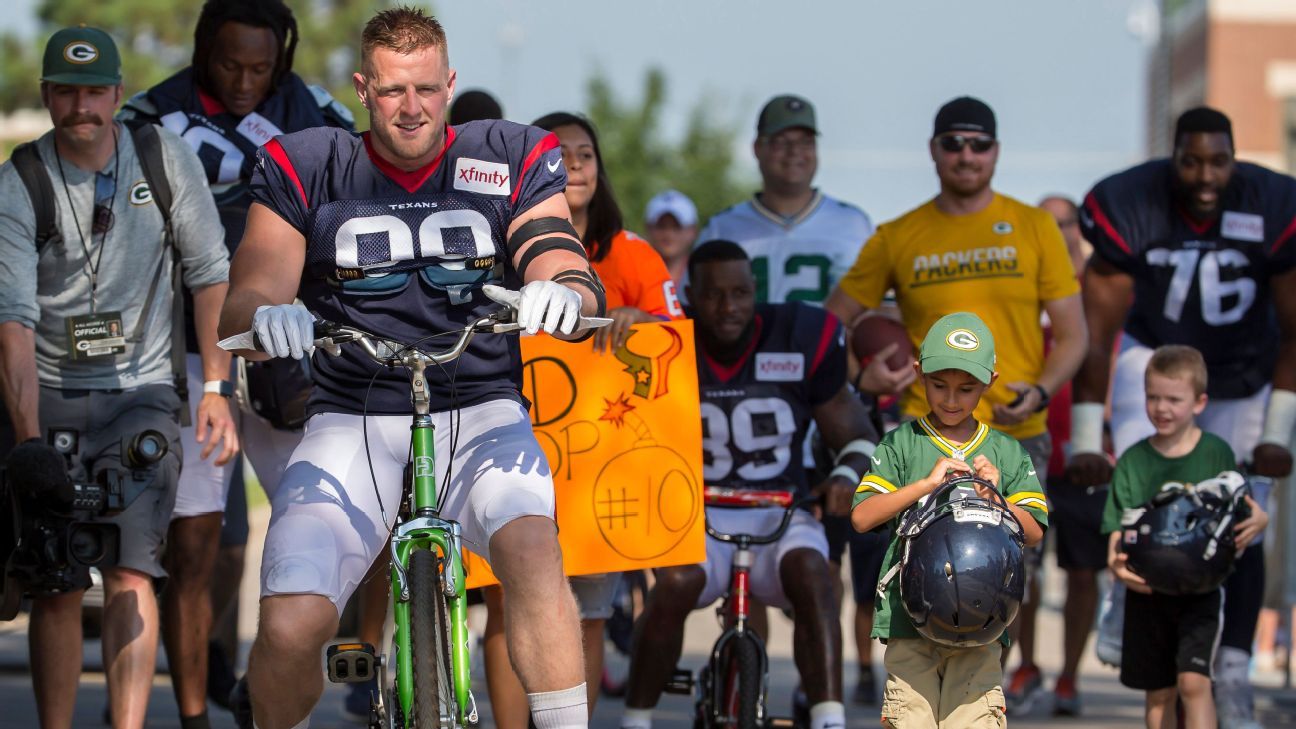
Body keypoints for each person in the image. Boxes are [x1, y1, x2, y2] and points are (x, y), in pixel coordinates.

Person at [217, 8, 605, 729]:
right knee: (291, 622)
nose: (412, 107)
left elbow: (556, 247)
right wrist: (271, 313)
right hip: (351, 414)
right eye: (393, 91)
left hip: (479, 404)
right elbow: (248, 293)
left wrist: (563, 287)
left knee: (532, 551)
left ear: (450, 82)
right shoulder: (310, 161)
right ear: (363, 88)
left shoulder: (506, 153)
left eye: (427, 88)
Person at [117, 0, 355, 720]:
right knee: (200, 544)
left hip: (287, 346)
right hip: (188, 350)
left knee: (306, 529)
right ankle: (199, 686)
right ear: (200, 50)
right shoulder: (149, 115)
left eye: (260, 66)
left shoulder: (315, 109)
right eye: (229, 64)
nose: (246, 80)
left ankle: (270, 681)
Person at [0, 26, 236, 729]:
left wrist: (217, 388)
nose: (81, 106)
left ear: (118, 95)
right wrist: (28, 439)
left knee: (136, 568)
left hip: (142, 392)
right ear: (47, 96)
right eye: (66, 92)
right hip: (51, 389)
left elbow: (210, 272)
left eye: (94, 91)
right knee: (57, 577)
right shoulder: (21, 182)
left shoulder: (163, 159)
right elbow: (11, 317)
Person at [1070, 106, 1296, 726]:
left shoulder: (1273, 205)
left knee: (1243, 522)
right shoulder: (1130, 203)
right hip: (1158, 361)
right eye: (1191, 160)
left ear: (1235, 158)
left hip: (1243, 371)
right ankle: (1129, 600)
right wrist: (1087, 437)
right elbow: (1098, 335)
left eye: (1218, 160)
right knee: (1150, 494)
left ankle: (1234, 669)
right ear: (1173, 157)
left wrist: (1277, 433)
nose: (1205, 175)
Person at [481, 110, 685, 729]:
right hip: (511, 453)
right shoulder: (495, 247)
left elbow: (678, 346)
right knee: (508, 607)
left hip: (599, 472)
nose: (574, 166)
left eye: (585, 154)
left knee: (588, 613)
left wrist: (642, 324)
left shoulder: (636, 255)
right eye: (559, 154)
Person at [620, 240, 876, 729]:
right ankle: (637, 717)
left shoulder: (796, 335)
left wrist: (845, 476)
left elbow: (858, 434)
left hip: (781, 511)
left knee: (815, 575)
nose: (729, 307)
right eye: (715, 295)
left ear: (754, 290)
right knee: (674, 585)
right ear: (692, 295)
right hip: (696, 512)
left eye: (740, 292)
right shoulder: (669, 340)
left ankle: (828, 716)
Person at [851, 312, 1048, 728]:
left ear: (990, 382)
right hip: (910, 623)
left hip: (983, 626)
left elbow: (1033, 532)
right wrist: (924, 485)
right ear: (919, 374)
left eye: (967, 388)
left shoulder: (1007, 452)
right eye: (939, 385)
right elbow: (862, 517)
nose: (952, 400)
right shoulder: (901, 443)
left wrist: (996, 498)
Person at [1102, 345, 1268, 729]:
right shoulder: (1134, 460)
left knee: (1194, 683)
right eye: (1153, 397)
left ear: (1199, 402)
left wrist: (1260, 520)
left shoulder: (1215, 452)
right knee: (1159, 692)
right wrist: (1116, 562)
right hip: (1148, 591)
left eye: (1174, 399)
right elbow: (1117, 526)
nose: (1161, 408)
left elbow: (1244, 509)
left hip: (1202, 591)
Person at [1022, 193, 1102, 716]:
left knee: (1083, 572)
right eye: (1046, 223)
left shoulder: (1101, 290)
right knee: (1022, 569)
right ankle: (1026, 665)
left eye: (1065, 222)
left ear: (1080, 228)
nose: (1057, 230)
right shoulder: (1026, 287)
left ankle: (1070, 676)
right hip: (1030, 449)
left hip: (1086, 457)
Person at [698, 94, 873, 306]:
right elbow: (692, 309)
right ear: (757, 148)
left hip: (827, 340)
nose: (794, 152)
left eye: (805, 142)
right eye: (781, 142)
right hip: (753, 340)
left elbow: (878, 309)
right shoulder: (722, 228)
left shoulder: (854, 223)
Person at [644, 189, 697, 290]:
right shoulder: (632, 273)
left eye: (677, 227)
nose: (668, 234)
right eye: (661, 226)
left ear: (692, 231)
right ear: (648, 228)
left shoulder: (702, 275)